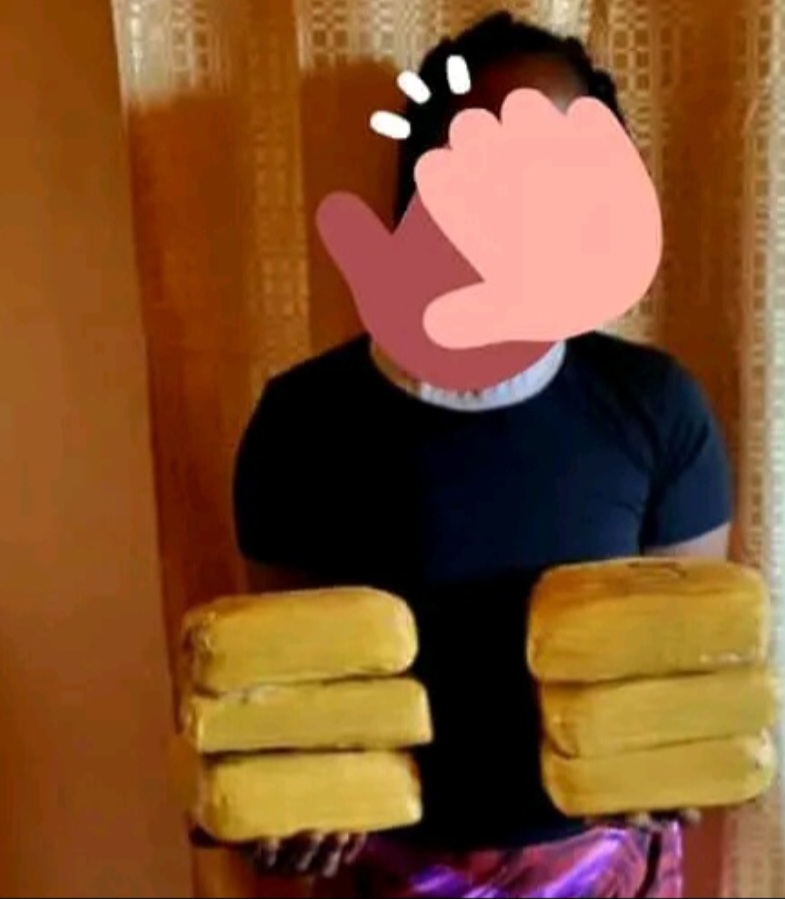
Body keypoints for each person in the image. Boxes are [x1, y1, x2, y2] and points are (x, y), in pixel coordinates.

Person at [221, 10, 732, 898]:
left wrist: (675, 765)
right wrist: (288, 808)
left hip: (605, 872)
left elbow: (690, 667)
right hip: (387, 874)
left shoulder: (656, 408)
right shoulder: (302, 421)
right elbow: (291, 695)